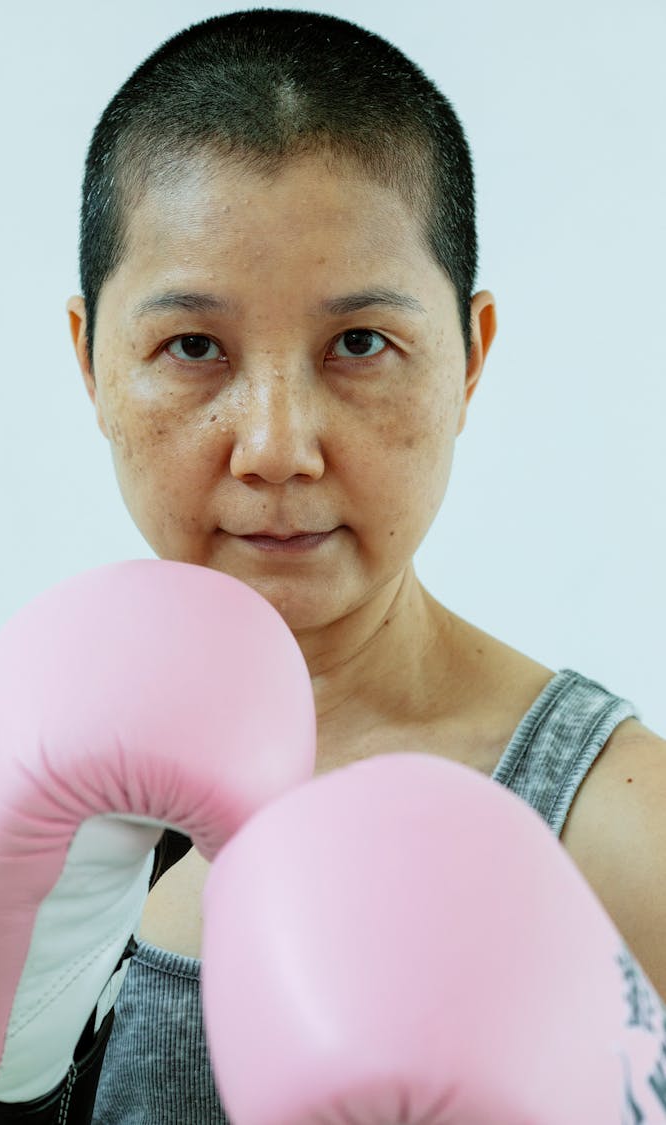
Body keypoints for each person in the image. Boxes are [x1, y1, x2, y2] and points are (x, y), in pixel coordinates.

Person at [62, 9, 666, 1122]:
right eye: (193, 347)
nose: (278, 447)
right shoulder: (36, 796)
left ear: (470, 359)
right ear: (91, 360)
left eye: (360, 345)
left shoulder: (625, 833)